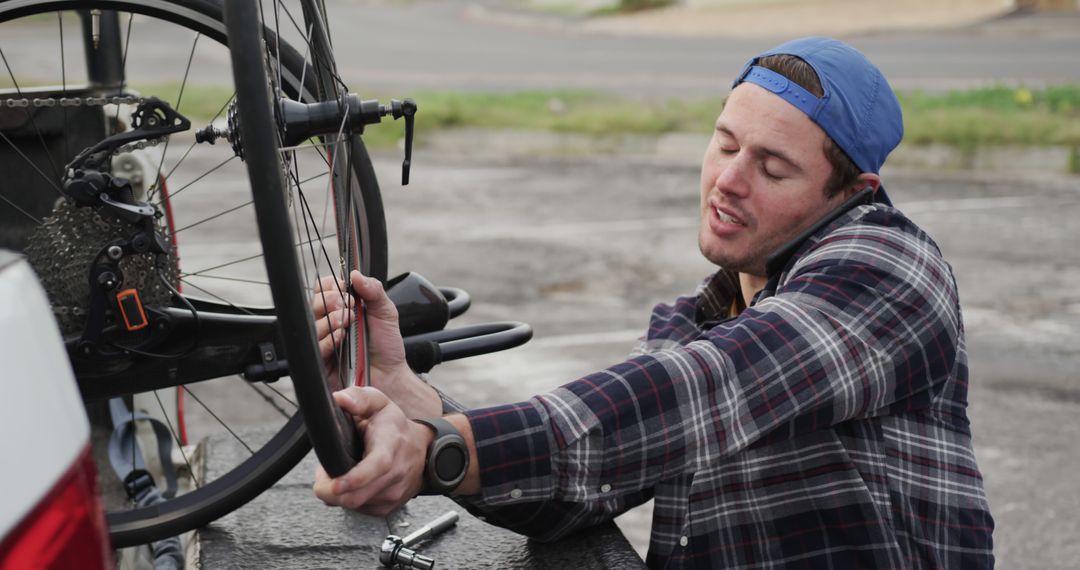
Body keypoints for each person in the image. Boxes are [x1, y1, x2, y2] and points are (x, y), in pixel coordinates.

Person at [310, 37, 995, 568]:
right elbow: (580, 489)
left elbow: (702, 391)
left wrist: (435, 450)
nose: (727, 180)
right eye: (725, 144)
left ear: (851, 192)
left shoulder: (889, 269)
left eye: (772, 167)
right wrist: (411, 397)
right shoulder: (697, 321)